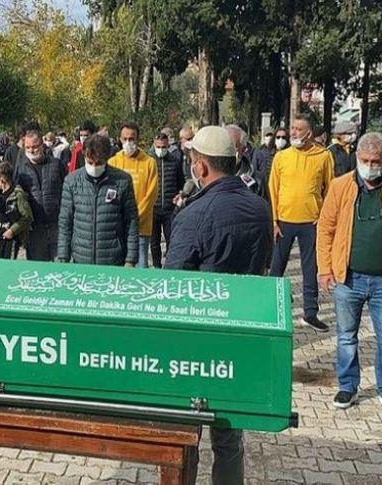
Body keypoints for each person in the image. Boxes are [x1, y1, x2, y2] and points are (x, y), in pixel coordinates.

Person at [165, 125, 271, 484]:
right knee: (229, 436)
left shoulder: (193, 216)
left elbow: (173, 283)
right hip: (239, 336)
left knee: (185, 434)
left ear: (201, 167)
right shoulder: (260, 208)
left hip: (196, 342)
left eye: (193, 160)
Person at [317, 132, 382, 415]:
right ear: (357, 158)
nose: (371, 166)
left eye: (376, 161)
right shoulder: (340, 186)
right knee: (347, 336)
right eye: (365, 160)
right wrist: (325, 269)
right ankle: (348, 386)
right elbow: (325, 229)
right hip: (348, 277)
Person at [269, 113, 334, 332]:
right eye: (292, 128)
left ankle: (310, 313)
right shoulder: (282, 157)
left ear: (309, 133)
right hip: (283, 221)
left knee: (310, 269)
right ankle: (269, 308)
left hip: (311, 222)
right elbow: (273, 189)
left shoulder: (323, 156)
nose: (293, 132)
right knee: (276, 267)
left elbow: (330, 189)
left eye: (298, 129)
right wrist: (274, 220)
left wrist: (323, 217)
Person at [57, 134, 138, 266]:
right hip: (81, 258)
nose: (94, 167)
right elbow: (65, 221)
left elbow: (131, 221)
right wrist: (63, 257)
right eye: (90, 162)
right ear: (84, 156)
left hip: (113, 258)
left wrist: (130, 259)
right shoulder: (71, 181)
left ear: (107, 158)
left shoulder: (122, 181)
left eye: (99, 163)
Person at [109, 122, 158, 268]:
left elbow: (151, 195)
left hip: (141, 228)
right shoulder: (113, 162)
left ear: (138, 139)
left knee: (140, 267)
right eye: (125, 139)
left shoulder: (149, 163)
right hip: (118, 226)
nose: (128, 142)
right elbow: (110, 193)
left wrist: (134, 218)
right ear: (120, 139)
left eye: (132, 139)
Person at [13, 129, 65, 261]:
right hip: (35, 230)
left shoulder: (56, 165)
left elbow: (66, 192)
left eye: (35, 146)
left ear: (42, 145)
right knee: (38, 270)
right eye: (28, 147)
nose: (31, 150)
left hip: (56, 225)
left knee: (60, 268)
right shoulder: (21, 169)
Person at [148, 133, 184, 269]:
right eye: (158, 146)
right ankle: (157, 267)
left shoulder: (175, 161)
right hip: (153, 208)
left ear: (168, 145)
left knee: (171, 239)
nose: (161, 149)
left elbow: (181, 182)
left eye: (164, 146)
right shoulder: (149, 161)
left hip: (170, 208)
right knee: (154, 241)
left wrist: (180, 196)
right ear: (154, 144)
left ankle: (169, 265)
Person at [0, 162, 32, 259]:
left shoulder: (17, 194)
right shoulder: (0, 193)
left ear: (1, 178)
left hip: (12, 239)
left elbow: (27, 217)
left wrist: (12, 231)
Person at [226, 124, 265, 198]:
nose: (226, 151)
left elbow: (263, 207)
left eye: (232, 146)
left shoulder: (257, 181)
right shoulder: (206, 177)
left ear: (243, 149)